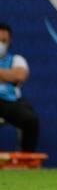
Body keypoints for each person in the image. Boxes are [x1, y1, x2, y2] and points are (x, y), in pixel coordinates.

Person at [0, 23, 39, 153]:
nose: (1, 44)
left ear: (9, 41)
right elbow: (13, 76)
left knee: (30, 120)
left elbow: (20, 75)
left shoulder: (17, 59)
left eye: (3, 41)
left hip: (9, 103)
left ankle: (26, 161)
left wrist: (11, 76)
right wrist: (8, 75)